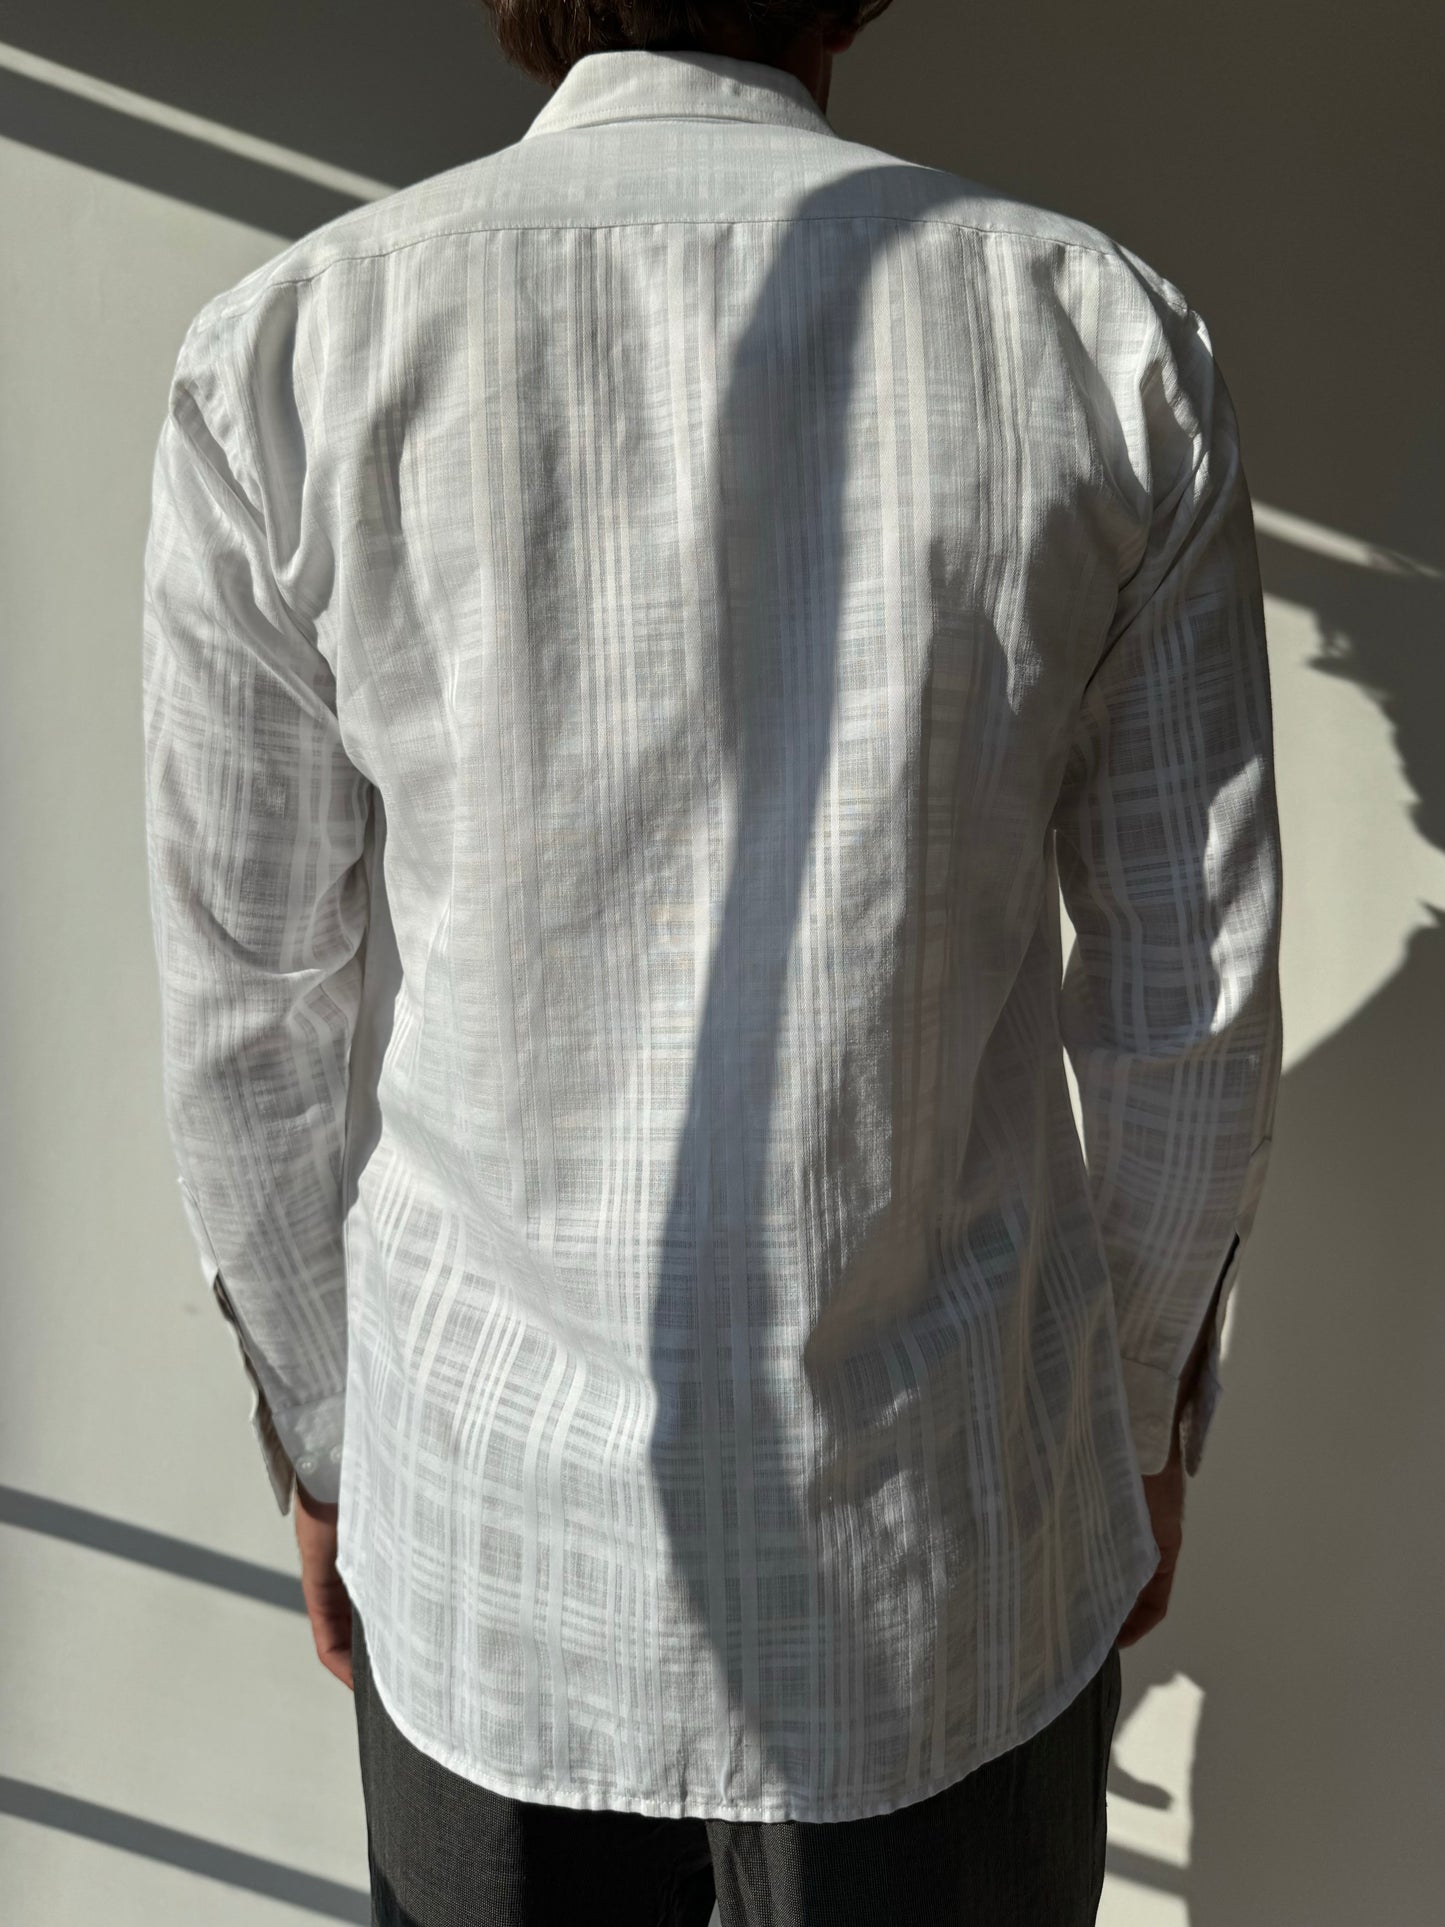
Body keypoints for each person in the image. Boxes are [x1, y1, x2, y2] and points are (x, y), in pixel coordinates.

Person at [141, 3, 1284, 1921]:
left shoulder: (292, 355)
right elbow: (1189, 1006)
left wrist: (330, 1449)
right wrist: (1136, 1419)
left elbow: (244, 1018)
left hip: (493, 1555)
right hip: (951, 1554)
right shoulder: (1091, 339)